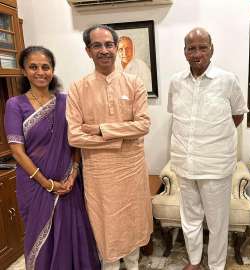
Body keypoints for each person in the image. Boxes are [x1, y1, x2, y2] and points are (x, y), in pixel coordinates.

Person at [4, 46, 100, 270]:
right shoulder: (15, 105)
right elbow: (17, 151)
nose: (40, 72)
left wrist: (74, 172)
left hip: (68, 183)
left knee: (73, 233)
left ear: (53, 70)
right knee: (40, 237)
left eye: (45, 67)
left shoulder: (66, 102)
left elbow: (75, 140)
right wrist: (47, 184)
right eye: (33, 67)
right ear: (24, 71)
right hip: (34, 185)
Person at [66, 24, 152, 270]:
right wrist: (119, 137)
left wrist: (103, 130)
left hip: (131, 169)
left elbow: (143, 125)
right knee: (106, 225)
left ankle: (134, 265)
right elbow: (74, 136)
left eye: (108, 44)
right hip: (99, 173)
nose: (104, 50)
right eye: (97, 45)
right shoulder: (78, 88)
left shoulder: (134, 83)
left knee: (133, 221)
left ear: (116, 48)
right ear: (88, 51)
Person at [168, 27, 248, 270]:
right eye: (191, 48)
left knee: (217, 222)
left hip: (215, 165)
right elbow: (177, 117)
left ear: (211, 49)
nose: (197, 53)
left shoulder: (227, 80)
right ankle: (194, 260)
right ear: (184, 52)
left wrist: (213, 138)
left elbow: (236, 116)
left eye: (202, 47)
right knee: (190, 218)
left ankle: (215, 265)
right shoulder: (176, 82)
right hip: (184, 163)